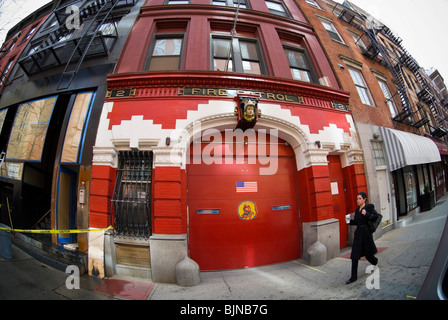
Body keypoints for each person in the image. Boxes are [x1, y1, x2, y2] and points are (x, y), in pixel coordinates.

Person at [346, 191, 379, 284]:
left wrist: (367, 214)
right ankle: (353, 277)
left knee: (368, 254)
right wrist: (349, 221)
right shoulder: (357, 210)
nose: (358, 200)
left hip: (366, 234)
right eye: (357, 199)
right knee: (354, 256)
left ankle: (375, 261)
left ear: (364, 199)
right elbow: (357, 222)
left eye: (360, 198)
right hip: (358, 234)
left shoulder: (369, 207)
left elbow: (375, 217)